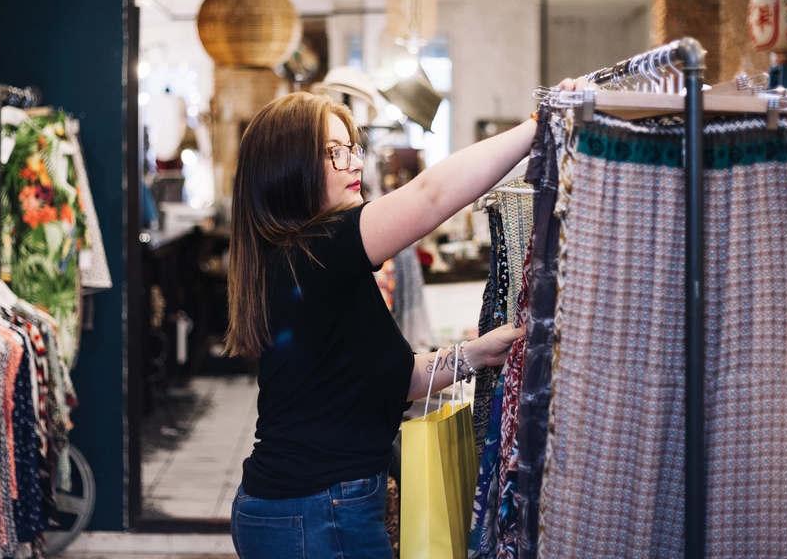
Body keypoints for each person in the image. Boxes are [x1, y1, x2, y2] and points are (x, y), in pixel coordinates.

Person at [225, 86, 574, 559]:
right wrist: (540, 124)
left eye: (352, 148)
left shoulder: (309, 262)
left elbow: (391, 379)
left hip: (310, 507)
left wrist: (474, 354)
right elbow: (431, 197)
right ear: (287, 170)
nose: (353, 164)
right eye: (333, 152)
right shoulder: (313, 251)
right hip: (315, 511)